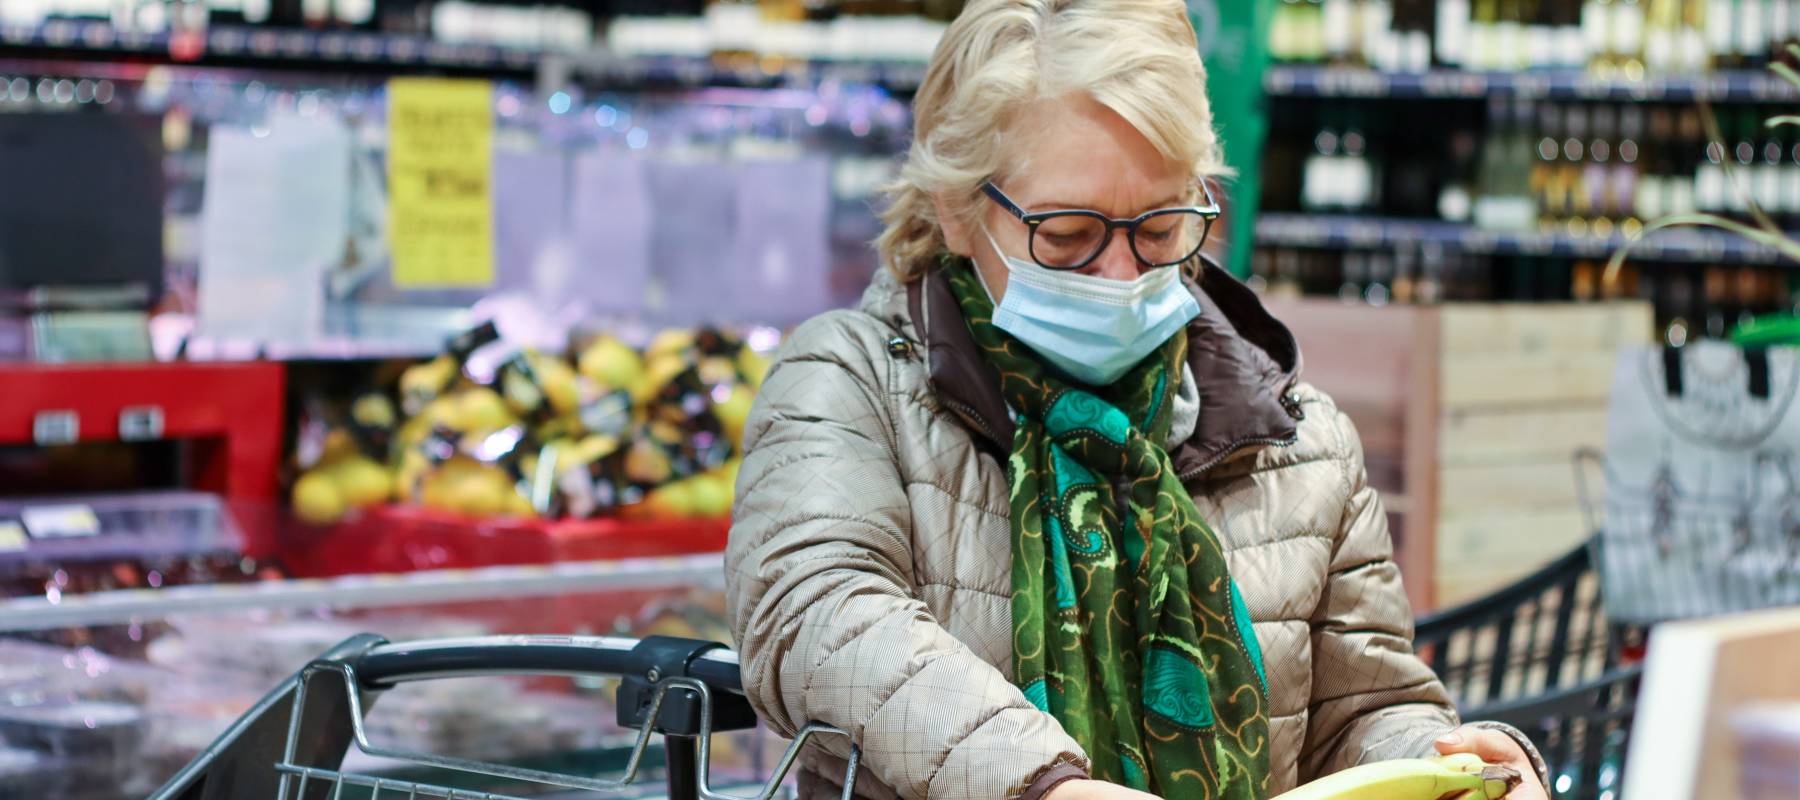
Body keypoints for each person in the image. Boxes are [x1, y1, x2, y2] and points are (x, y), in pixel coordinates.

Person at [724, 2, 1551, 798]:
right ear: (957, 208)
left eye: (1159, 229)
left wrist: (1454, 765)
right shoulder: (853, 385)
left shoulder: (1298, 438)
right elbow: (818, 614)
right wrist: (1041, 785)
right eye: (1068, 236)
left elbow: (1363, 712)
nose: (1123, 274)